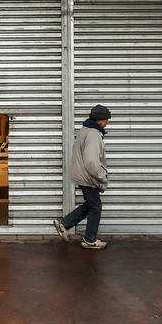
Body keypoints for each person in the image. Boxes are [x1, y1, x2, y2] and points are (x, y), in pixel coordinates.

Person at [53, 104, 111, 249]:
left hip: (83, 174)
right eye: (106, 119)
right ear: (100, 120)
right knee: (95, 207)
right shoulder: (93, 133)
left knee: (91, 204)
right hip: (88, 176)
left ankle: (64, 223)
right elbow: (91, 161)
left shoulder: (85, 130)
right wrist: (102, 176)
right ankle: (90, 239)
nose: (107, 122)